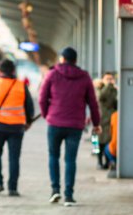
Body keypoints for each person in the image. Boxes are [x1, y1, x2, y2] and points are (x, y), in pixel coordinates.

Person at [39, 47, 101, 207]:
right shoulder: (85, 77)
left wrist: (47, 115)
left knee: (53, 156)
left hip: (55, 123)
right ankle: (69, 196)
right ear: (75, 60)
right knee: (70, 159)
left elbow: (42, 98)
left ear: (62, 59)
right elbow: (93, 103)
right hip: (75, 125)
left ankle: (55, 190)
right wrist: (97, 123)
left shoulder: (52, 74)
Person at [0, 59, 34, 197]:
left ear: (0, 71)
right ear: (13, 71)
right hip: (17, 128)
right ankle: (13, 188)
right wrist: (28, 122)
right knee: (14, 158)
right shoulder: (21, 85)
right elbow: (30, 107)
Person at [96, 72, 117, 169]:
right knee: (96, 142)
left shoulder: (113, 90)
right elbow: (101, 97)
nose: (109, 81)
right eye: (107, 79)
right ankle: (98, 161)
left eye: (111, 78)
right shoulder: (99, 89)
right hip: (98, 119)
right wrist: (108, 85)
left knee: (107, 141)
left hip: (109, 121)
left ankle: (107, 162)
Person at [105, 102, 118, 178]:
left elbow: (111, 133)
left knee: (106, 148)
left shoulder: (114, 115)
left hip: (114, 148)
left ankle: (112, 162)